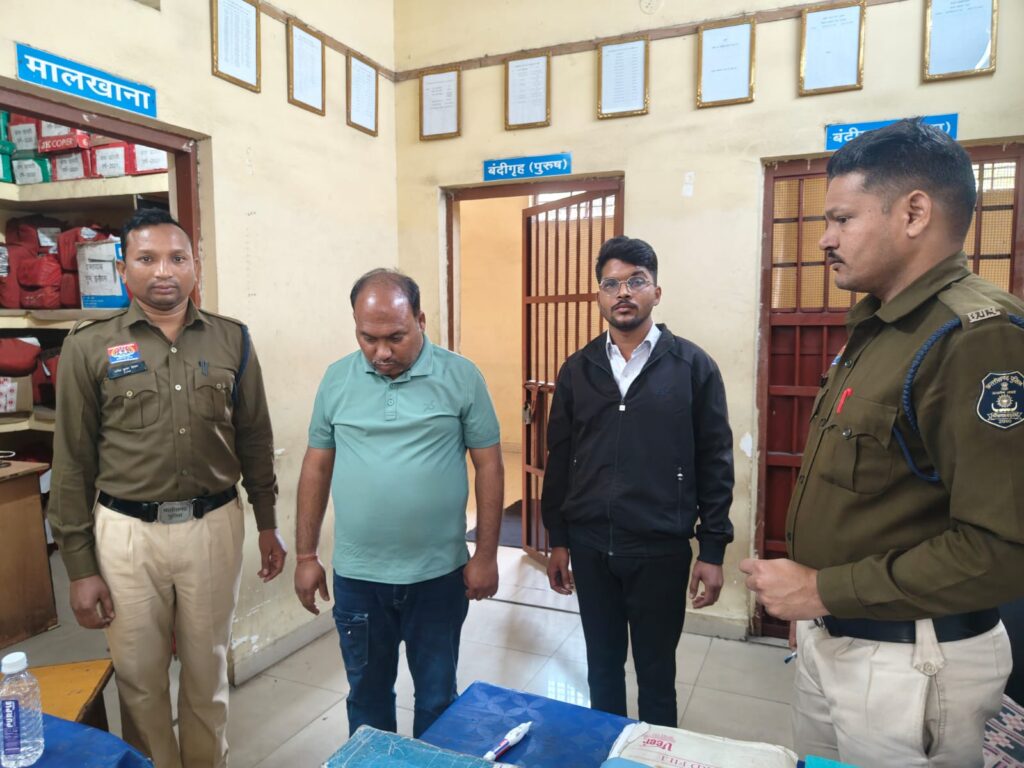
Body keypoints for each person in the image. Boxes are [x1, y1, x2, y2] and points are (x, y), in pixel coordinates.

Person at [740, 119, 1024, 767]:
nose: (824, 239)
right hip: (839, 641)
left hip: (912, 661)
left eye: (842, 219)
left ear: (914, 213)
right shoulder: (881, 326)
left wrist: (824, 590)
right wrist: (820, 605)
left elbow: (1002, 550)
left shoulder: (976, 337)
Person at [48, 208, 287, 768]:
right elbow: (72, 463)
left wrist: (267, 522)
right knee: (139, 677)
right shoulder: (89, 346)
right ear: (123, 268)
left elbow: (255, 437)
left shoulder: (231, 339)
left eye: (177, 258)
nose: (164, 271)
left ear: (194, 264)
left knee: (208, 671)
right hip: (127, 535)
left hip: (213, 526)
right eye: (147, 258)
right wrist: (80, 568)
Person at [293, 268, 503, 738]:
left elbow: (489, 465)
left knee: (437, 700)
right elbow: (316, 467)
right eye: (368, 338)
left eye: (395, 337)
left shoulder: (461, 376)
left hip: (438, 577)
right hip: (359, 579)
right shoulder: (337, 379)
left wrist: (486, 554)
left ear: (421, 321)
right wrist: (306, 556)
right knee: (367, 699)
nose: (382, 353)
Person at [541, 236, 735, 726]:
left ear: (656, 292)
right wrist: (558, 540)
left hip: (660, 549)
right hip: (591, 547)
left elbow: (715, 460)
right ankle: (607, 752)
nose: (623, 292)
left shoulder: (692, 366)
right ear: (599, 295)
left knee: (656, 673)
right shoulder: (578, 369)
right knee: (602, 668)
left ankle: (654, 755)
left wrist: (712, 550)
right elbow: (560, 459)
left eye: (636, 282)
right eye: (611, 284)